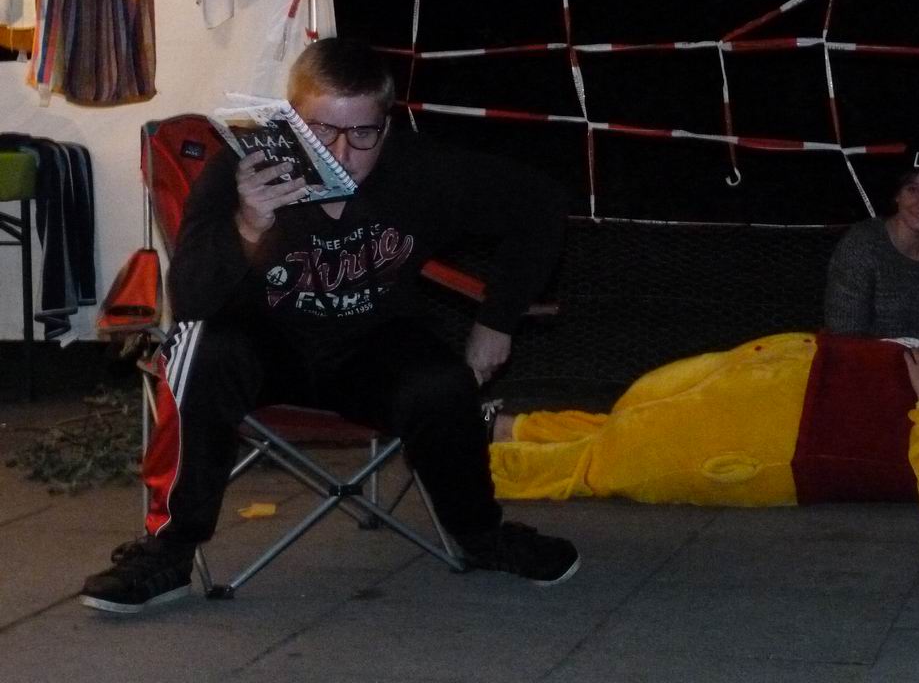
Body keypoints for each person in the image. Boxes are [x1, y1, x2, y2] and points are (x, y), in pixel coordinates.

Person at [80, 37, 579, 614]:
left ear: (386, 126)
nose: (342, 152)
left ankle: (481, 535)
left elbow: (541, 203)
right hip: (263, 343)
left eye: (362, 133)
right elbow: (190, 299)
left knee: (442, 385)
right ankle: (169, 552)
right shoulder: (241, 171)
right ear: (291, 122)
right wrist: (247, 225)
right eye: (321, 132)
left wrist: (497, 321)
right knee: (201, 348)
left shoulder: (422, 170)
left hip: (372, 344)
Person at [487, 332, 919, 515]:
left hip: (787, 437)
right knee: (631, 419)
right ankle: (506, 429)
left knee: (619, 457)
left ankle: (468, 465)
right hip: (795, 382)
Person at [824, 142, 919, 362]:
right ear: (897, 195)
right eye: (912, 189)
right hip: (864, 364)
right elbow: (844, 336)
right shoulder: (862, 244)